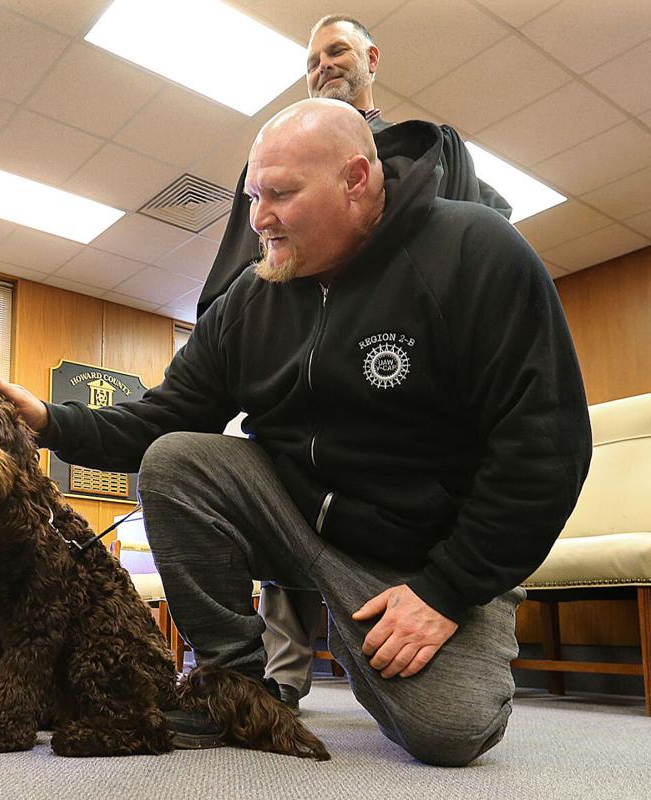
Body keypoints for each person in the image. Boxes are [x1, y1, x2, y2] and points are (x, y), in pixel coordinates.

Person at [0, 98, 591, 767]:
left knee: (451, 732)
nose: (259, 218)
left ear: (356, 179)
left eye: (281, 194)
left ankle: (376, 638)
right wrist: (50, 421)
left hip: (424, 551)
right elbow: (163, 419)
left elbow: (545, 448)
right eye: (254, 194)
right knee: (177, 462)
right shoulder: (251, 298)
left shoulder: (475, 253)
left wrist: (446, 591)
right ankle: (230, 686)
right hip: (302, 521)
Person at [199, 15, 514, 711]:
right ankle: (276, 680)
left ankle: (373, 645)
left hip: (398, 417)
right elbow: (235, 282)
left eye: (336, 51)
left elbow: (478, 238)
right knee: (284, 461)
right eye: (311, 60)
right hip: (301, 406)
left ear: (371, 58)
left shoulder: (431, 158)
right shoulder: (268, 181)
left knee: (444, 726)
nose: (322, 66)